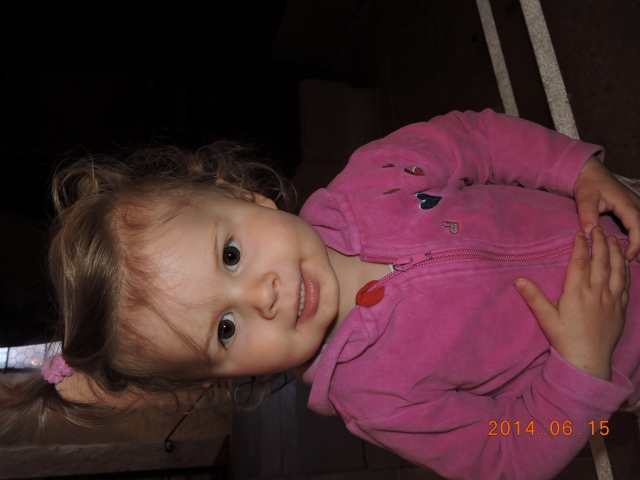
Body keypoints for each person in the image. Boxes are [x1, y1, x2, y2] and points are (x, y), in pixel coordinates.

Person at [2, 109, 640, 479]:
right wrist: (582, 366)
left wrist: (574, 169)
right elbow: (505, 454)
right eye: (225, 329)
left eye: (231, 255)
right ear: (223, 378)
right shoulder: (377, 399)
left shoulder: (374, 176)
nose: (263, 297)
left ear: (244, 196)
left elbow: (476, 139)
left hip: (614, 210)